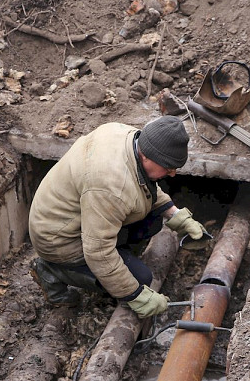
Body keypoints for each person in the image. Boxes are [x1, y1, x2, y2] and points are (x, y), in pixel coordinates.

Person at [28, 116, 205, 318]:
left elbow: (143, 186)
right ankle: (51, 270)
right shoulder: (110, 185)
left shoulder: (129, 138)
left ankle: (115, 267)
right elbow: (98, 251)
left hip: (78, 217)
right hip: (59, 239)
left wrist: (176, 215)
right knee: (140, 279)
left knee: (152, 222)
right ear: (148, 156)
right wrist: (135, 294)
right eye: (168, 167)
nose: (172, 174)